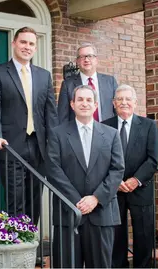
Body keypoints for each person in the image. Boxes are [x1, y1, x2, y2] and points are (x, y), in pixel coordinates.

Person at [0, 26, 58, 223]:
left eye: (31, 43)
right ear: (14, 43)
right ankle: (15, 245)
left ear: (35, 47)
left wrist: (55, 142)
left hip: (39, 146)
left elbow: (51, 112)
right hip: (11, 145)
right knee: (15, 199)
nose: (27, 47)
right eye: (23, 42)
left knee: (34, 199)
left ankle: (30, 246)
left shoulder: (44, 76)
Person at [46, 85, 125, 268]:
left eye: (89, 100)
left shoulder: (111, 134)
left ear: (96, 105)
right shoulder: (58, 134)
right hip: (68, 212)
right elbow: (53, 169)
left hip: (102, 213)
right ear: (72, 104)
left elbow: (117, 169)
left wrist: (96, 198)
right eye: (80, 99)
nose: (84, 103)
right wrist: (77, 201)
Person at [102, 84, 158, 268]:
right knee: (117, 236)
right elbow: (101, 159)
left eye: (128, 99)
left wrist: (135, 180)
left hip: (141, 189)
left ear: (135, 103)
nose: (124, 102)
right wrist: (116, 181)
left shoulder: (149, 125)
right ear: (113, 103)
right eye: (120, 99)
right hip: (114, 190)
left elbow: (152, 159)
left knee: (143, 236)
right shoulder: (104, 126)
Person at [58, 43, 118, 123]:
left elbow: (117, 110)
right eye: (82, 57)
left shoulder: (110, 82)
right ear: (77, 61)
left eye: (90, 56)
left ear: (96, 60)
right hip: (78, 133)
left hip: (107, 132)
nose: (86, 60)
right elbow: (63, 116)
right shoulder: (67, 85)